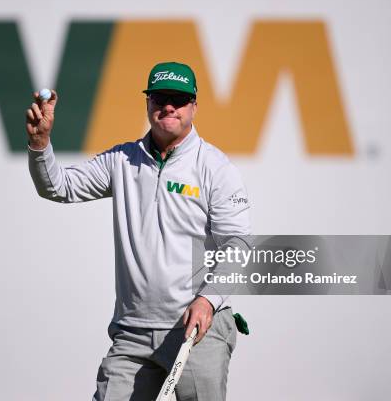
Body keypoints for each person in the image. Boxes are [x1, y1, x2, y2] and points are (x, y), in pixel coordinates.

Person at [26, 61, 251, 400]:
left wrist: (209, 300)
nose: (169, 106)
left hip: (195, 331)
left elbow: (239, 246)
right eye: (160, 98)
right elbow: (59, 187)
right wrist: (41, 143)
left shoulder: (214, 167)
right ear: (147, 103)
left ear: (194, 106)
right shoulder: (122, 160)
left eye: (179, 99)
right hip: (131, 333)